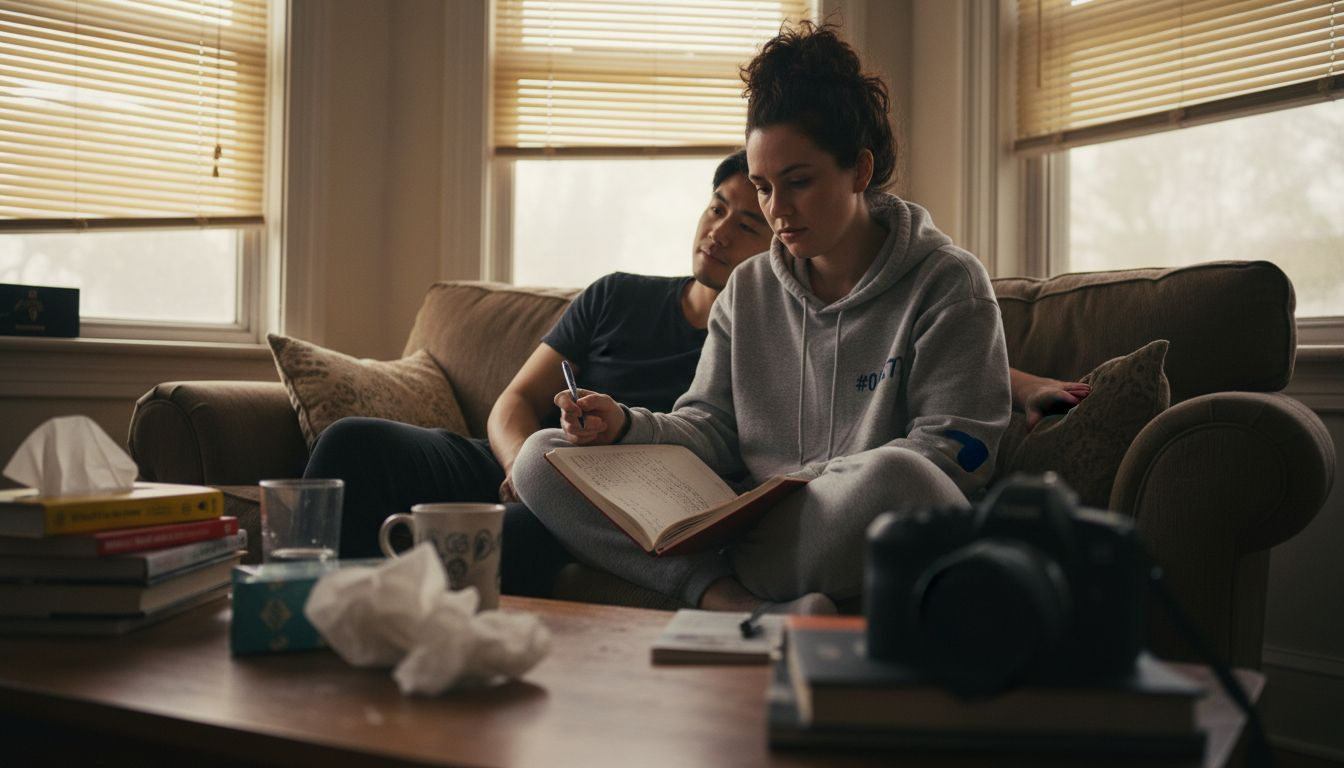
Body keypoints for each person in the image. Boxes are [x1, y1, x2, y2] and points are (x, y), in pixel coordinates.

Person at [510, 22, 1037, 614]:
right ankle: (724, 598)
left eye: (799, 182)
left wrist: (798, 496)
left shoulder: (948, 282)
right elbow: (707, 429)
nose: (777, 211)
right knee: (541, 456)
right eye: (763, 186)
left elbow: (956, 458)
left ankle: (724, 580)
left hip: (838, 521)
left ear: (860, 171)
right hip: (734, 521)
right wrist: (625, 426)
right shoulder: (749, 287)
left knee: (903, 479)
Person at [303, 151, 775, 592]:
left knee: (504, 537)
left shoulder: (753, 342)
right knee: (351, 442)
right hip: (522, 461)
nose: (720, 231)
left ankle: (396, 626)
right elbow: (517, 401)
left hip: (602, 508)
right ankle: (308, 616)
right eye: (716, 209)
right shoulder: (616, 295)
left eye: (748, 224)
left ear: (777, 247)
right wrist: (516, 471)